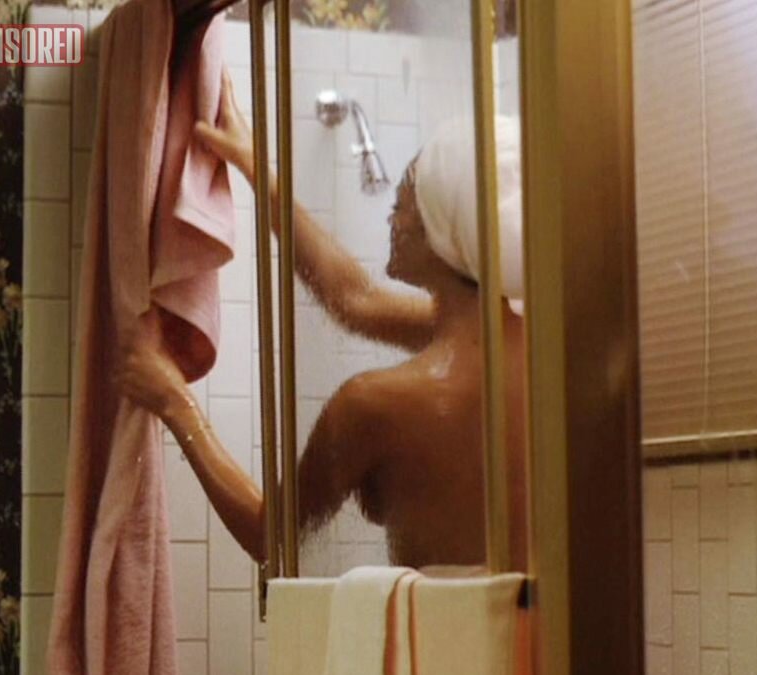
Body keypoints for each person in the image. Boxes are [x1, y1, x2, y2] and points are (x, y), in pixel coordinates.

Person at [118, 70, 528, 571]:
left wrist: (175, 403)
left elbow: (273, 536)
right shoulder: (545, 353)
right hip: (542, 622)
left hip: (437, 624)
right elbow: (355, 299)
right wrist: (255, 166)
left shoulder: (372, 403)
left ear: (442, 233)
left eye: (404, 199)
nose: (391, 215)